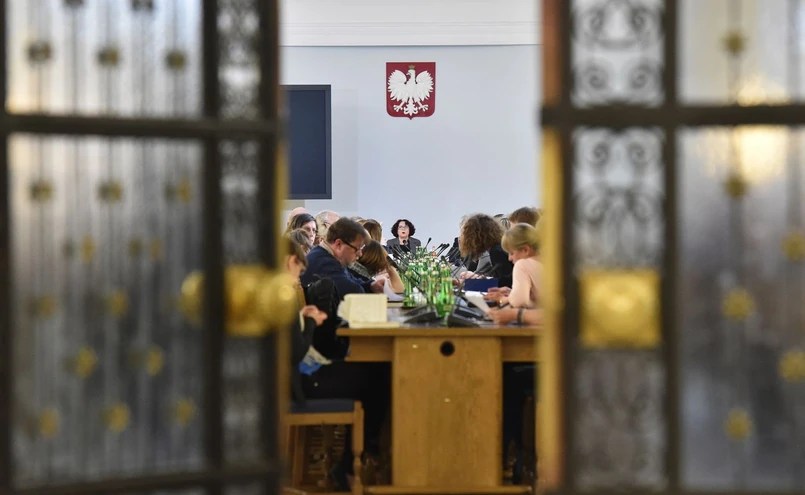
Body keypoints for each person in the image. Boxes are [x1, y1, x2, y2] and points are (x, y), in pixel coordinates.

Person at [301, 217, 384, 297]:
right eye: (357, 249)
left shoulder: (328, 256)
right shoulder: (324, 263)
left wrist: (371, 286)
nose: (360, 254)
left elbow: (352, 281)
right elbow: (355, 292)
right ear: (339, 244)